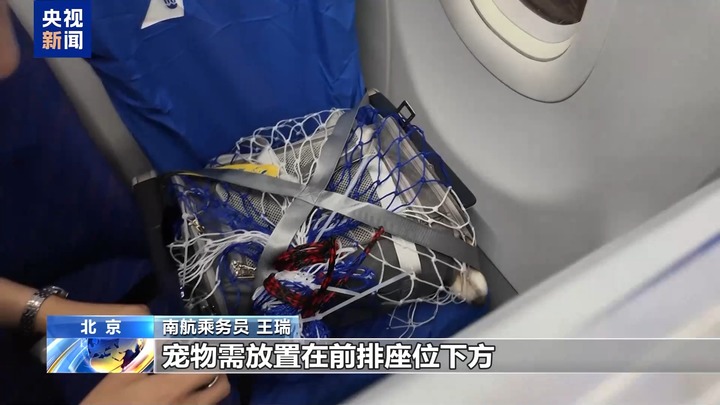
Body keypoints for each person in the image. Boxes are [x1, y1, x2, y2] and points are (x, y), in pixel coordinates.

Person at [0, 2, 231, 404]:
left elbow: (113, 32)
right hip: (52, 344)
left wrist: (46, 312)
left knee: (313, 353)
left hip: (115, 290)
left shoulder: (49, 17)